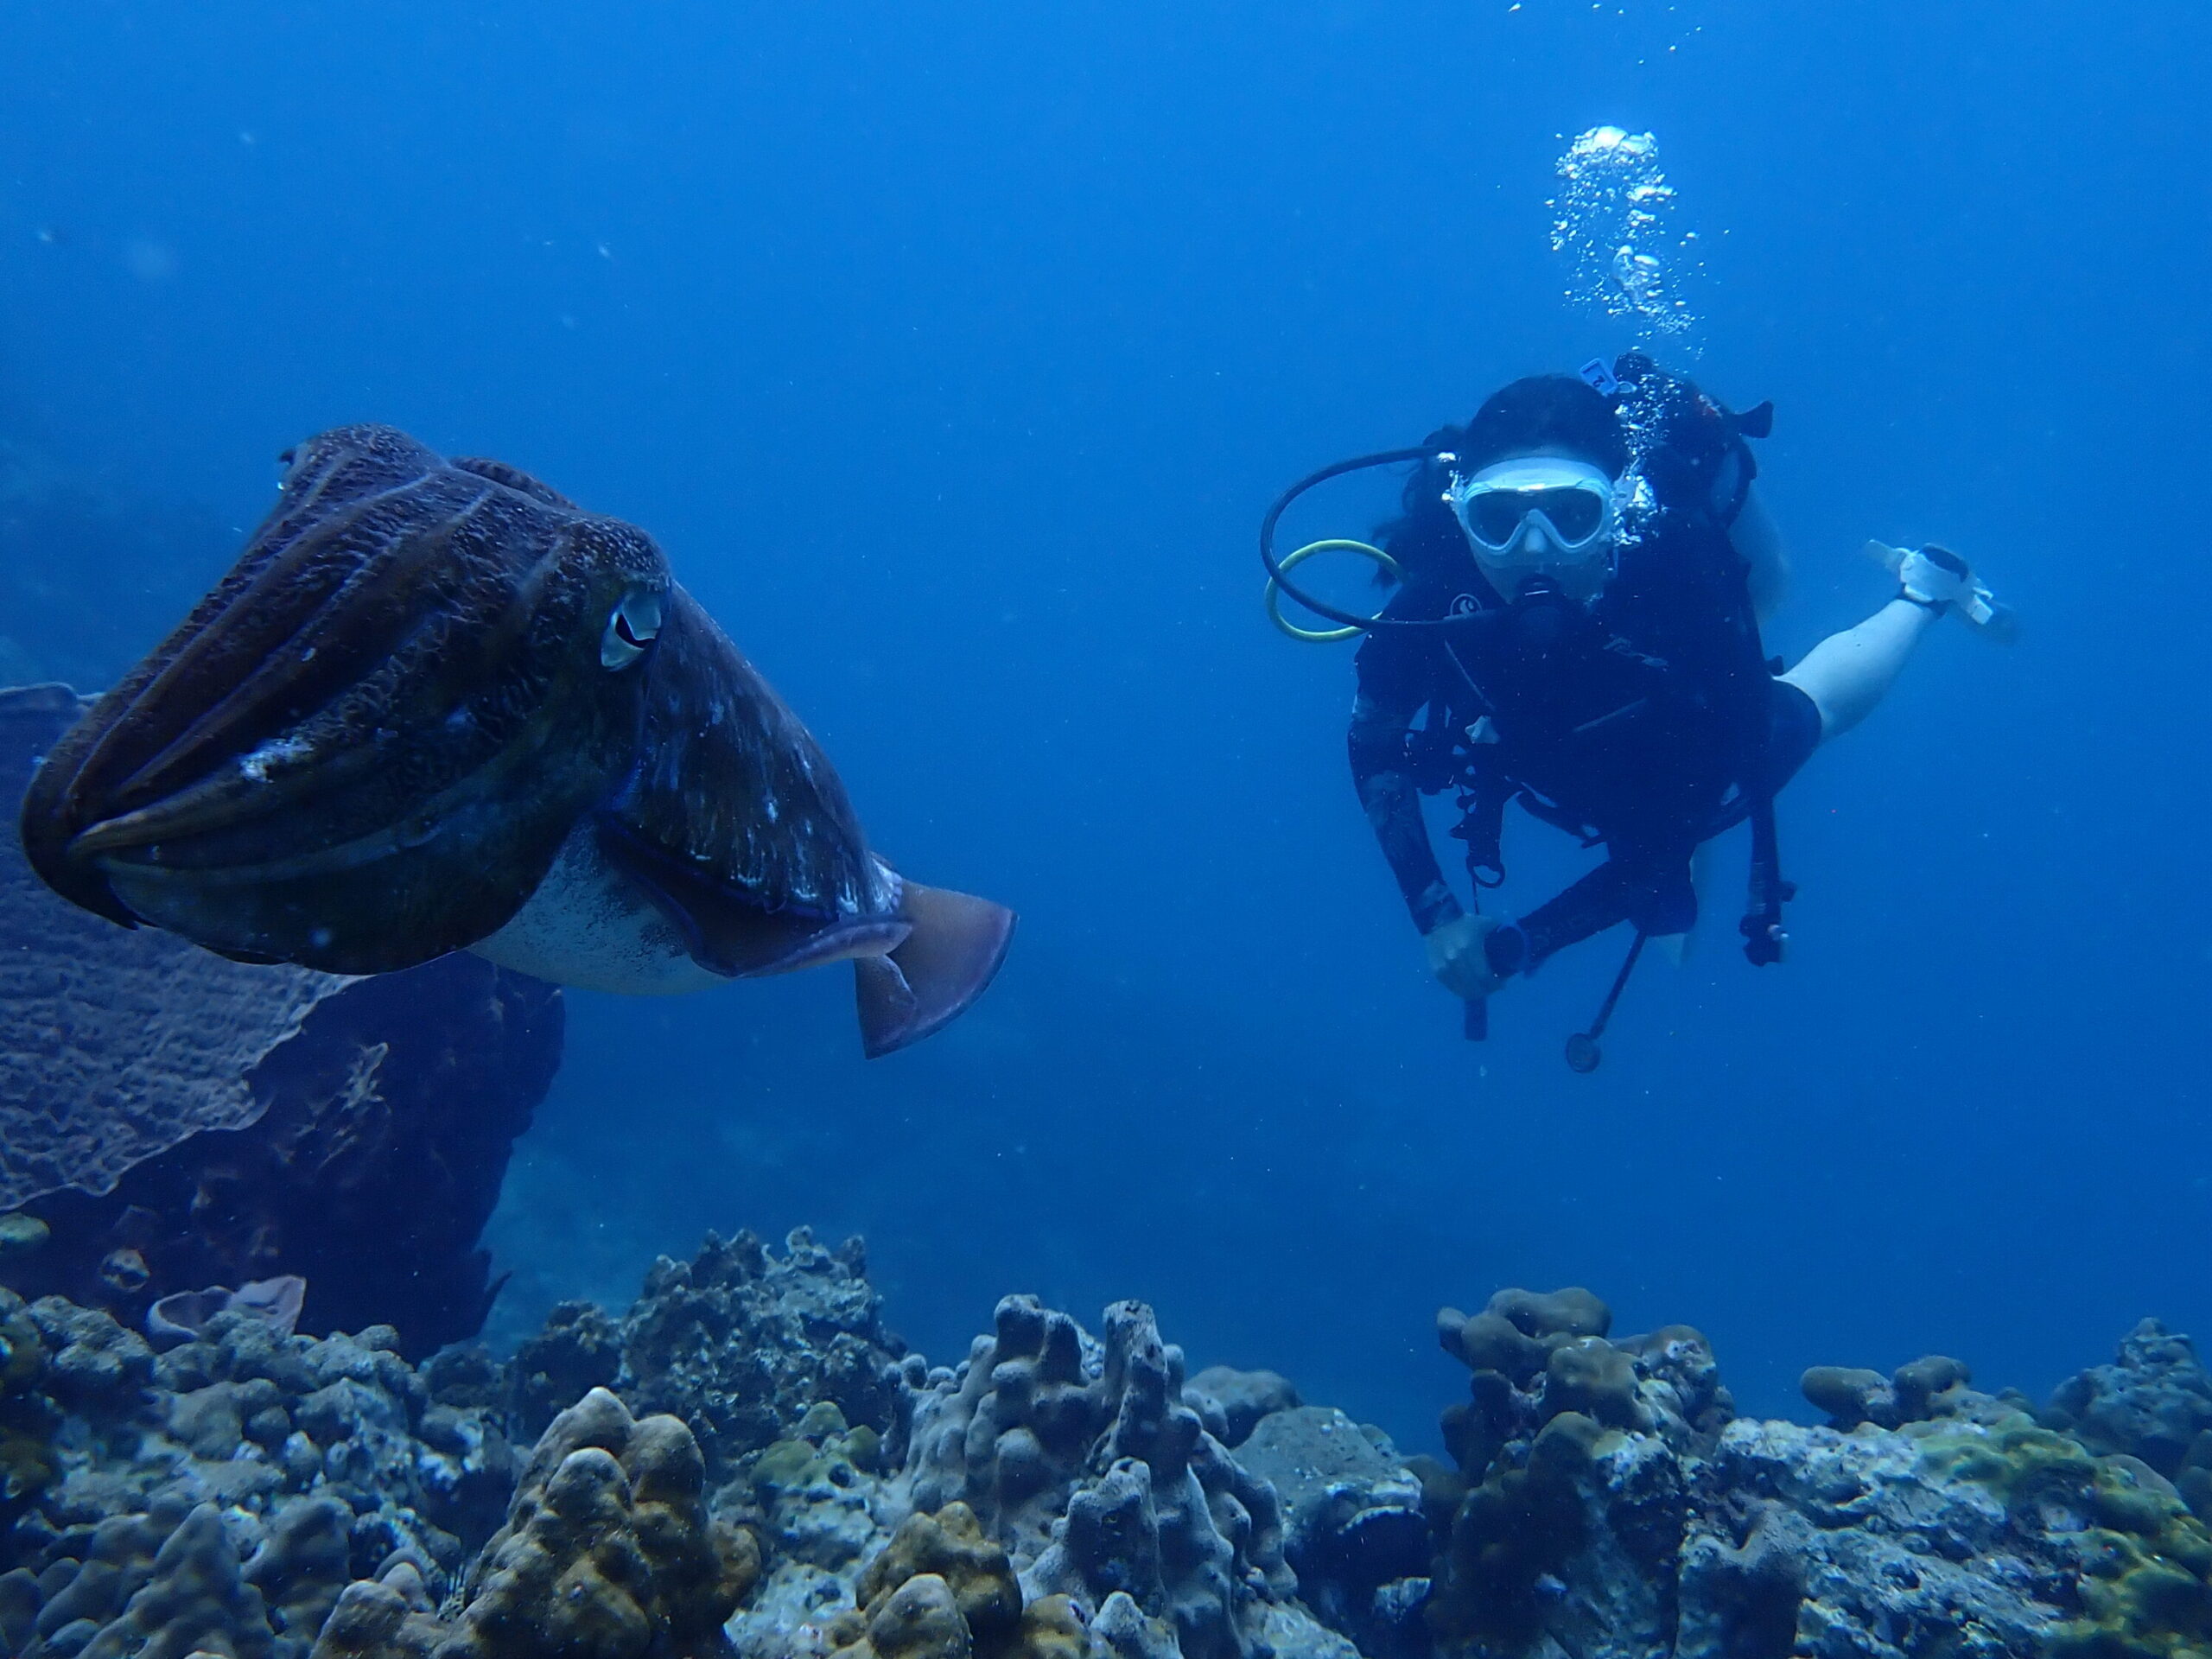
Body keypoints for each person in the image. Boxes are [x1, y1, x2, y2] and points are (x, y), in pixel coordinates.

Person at [1338, 353, 2007, 1034]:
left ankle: (1924, 591)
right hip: (1557, 718)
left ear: (1619, 506)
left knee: (1807, 708)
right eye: (1498, 518)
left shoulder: (1680, 577)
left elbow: (1668, 843)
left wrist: (1520, 944)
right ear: (1462, 513)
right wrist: (1437, 917)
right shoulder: (1433, 600)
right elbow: (1372, 745)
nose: (1533, 551)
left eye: (1572, 514)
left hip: (1679, 695)